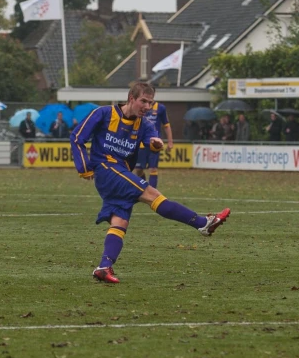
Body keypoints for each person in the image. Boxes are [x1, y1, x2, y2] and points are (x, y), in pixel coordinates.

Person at [71, 82, 230, 284]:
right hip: (106, 170)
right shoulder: (103, 113)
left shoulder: (144, 124)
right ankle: (203, 223)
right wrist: (83, 166)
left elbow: (153, 141)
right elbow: (76, 137)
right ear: (131, 99)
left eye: (150, 102)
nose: (147, 106)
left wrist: (157, 144)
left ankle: (104, 266)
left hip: (121, 172)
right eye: (143, 101)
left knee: (119, 222)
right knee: (152, 194)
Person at [133, 97, 172, 190]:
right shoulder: (140, 107)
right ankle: (143, 188)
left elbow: (166, 125)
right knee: (138, 170)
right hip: (141, 144)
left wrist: (170, 142)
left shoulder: (161, 108)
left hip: (154, 144)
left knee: (153, 168)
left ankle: (152, 191)